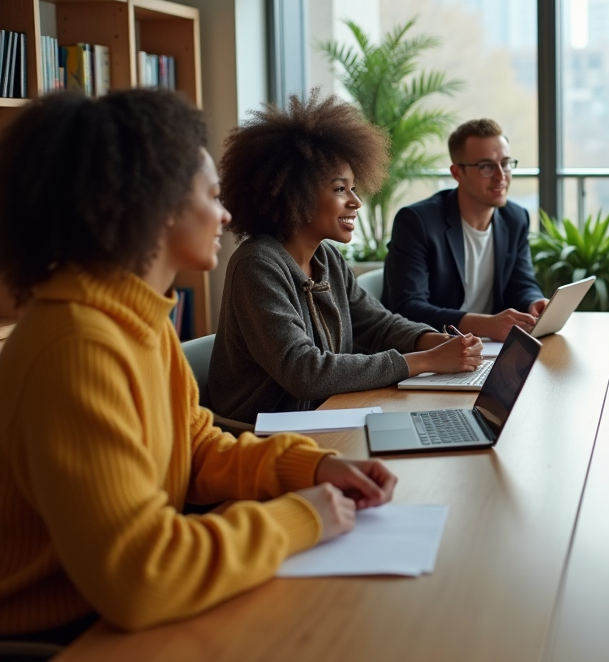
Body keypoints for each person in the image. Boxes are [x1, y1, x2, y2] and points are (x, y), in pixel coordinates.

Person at [0, 90, 395, 639]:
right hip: (68, 636)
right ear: (154, 205)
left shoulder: (138, 320)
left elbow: (195, 446)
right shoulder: (76, 346)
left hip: (116, 613)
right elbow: (141, 577)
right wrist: (303, 517)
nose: (227, 213)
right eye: (211, 195)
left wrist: (310, 468)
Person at [209, 92, 482, 423]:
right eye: (340, 189)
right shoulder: (257, 264)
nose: (355, 202)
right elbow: (305, 372)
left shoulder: (327, 259)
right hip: (265, 435)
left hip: (326, 415)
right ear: (294, 192)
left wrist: (432, 340)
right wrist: (425, 360)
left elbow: (377, 323)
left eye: (354, 188)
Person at [382, 118, 547, 341]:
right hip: (433, 348)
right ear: (457, 173)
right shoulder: (417, 222)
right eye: (486, 166)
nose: (501, 176)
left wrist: (533, 302)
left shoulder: (515, 218)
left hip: (489, 348)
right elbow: (408, 307)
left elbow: (522, 282)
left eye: (506, 163)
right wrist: (484, 324)